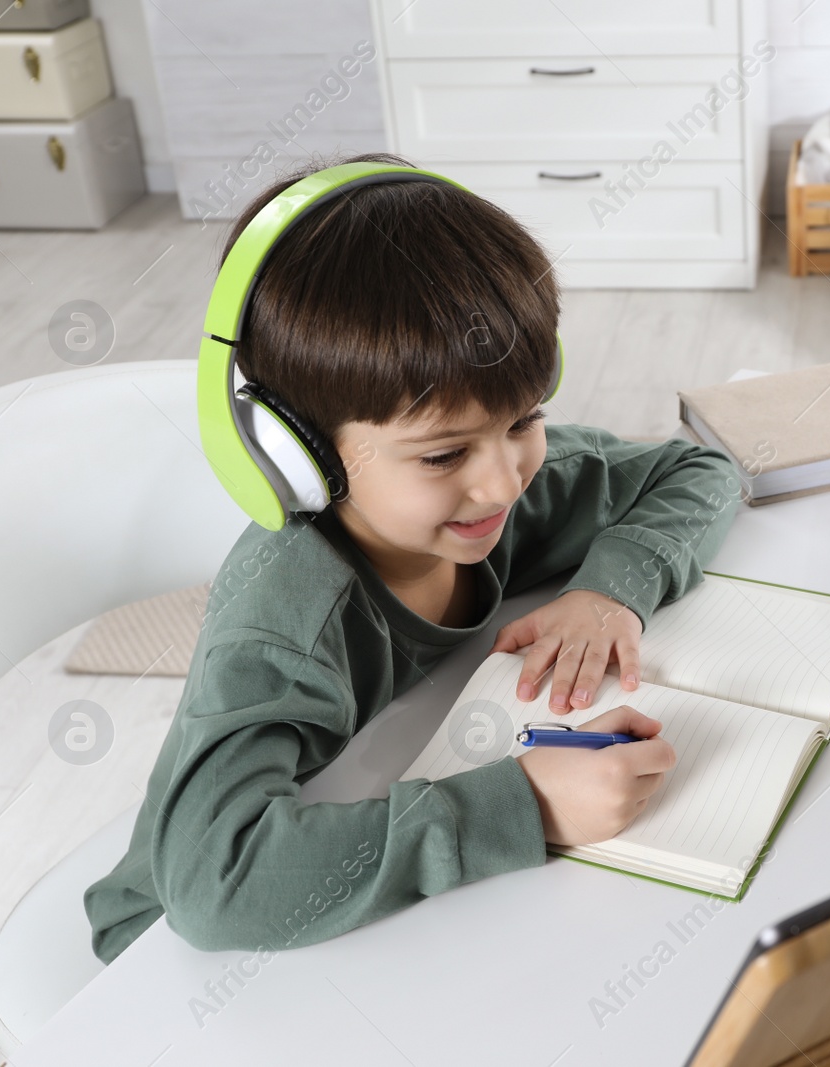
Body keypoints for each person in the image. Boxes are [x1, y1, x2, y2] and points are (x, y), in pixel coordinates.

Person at [83, 153, 741, 964]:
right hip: (173, 966)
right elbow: (215, 884)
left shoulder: (498, 490)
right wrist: (521, 804)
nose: (502, 480)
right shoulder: (280, 622)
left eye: (523, 419)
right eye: (441, 456)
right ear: (296, 455)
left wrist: (612, 592)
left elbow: (697, 469)